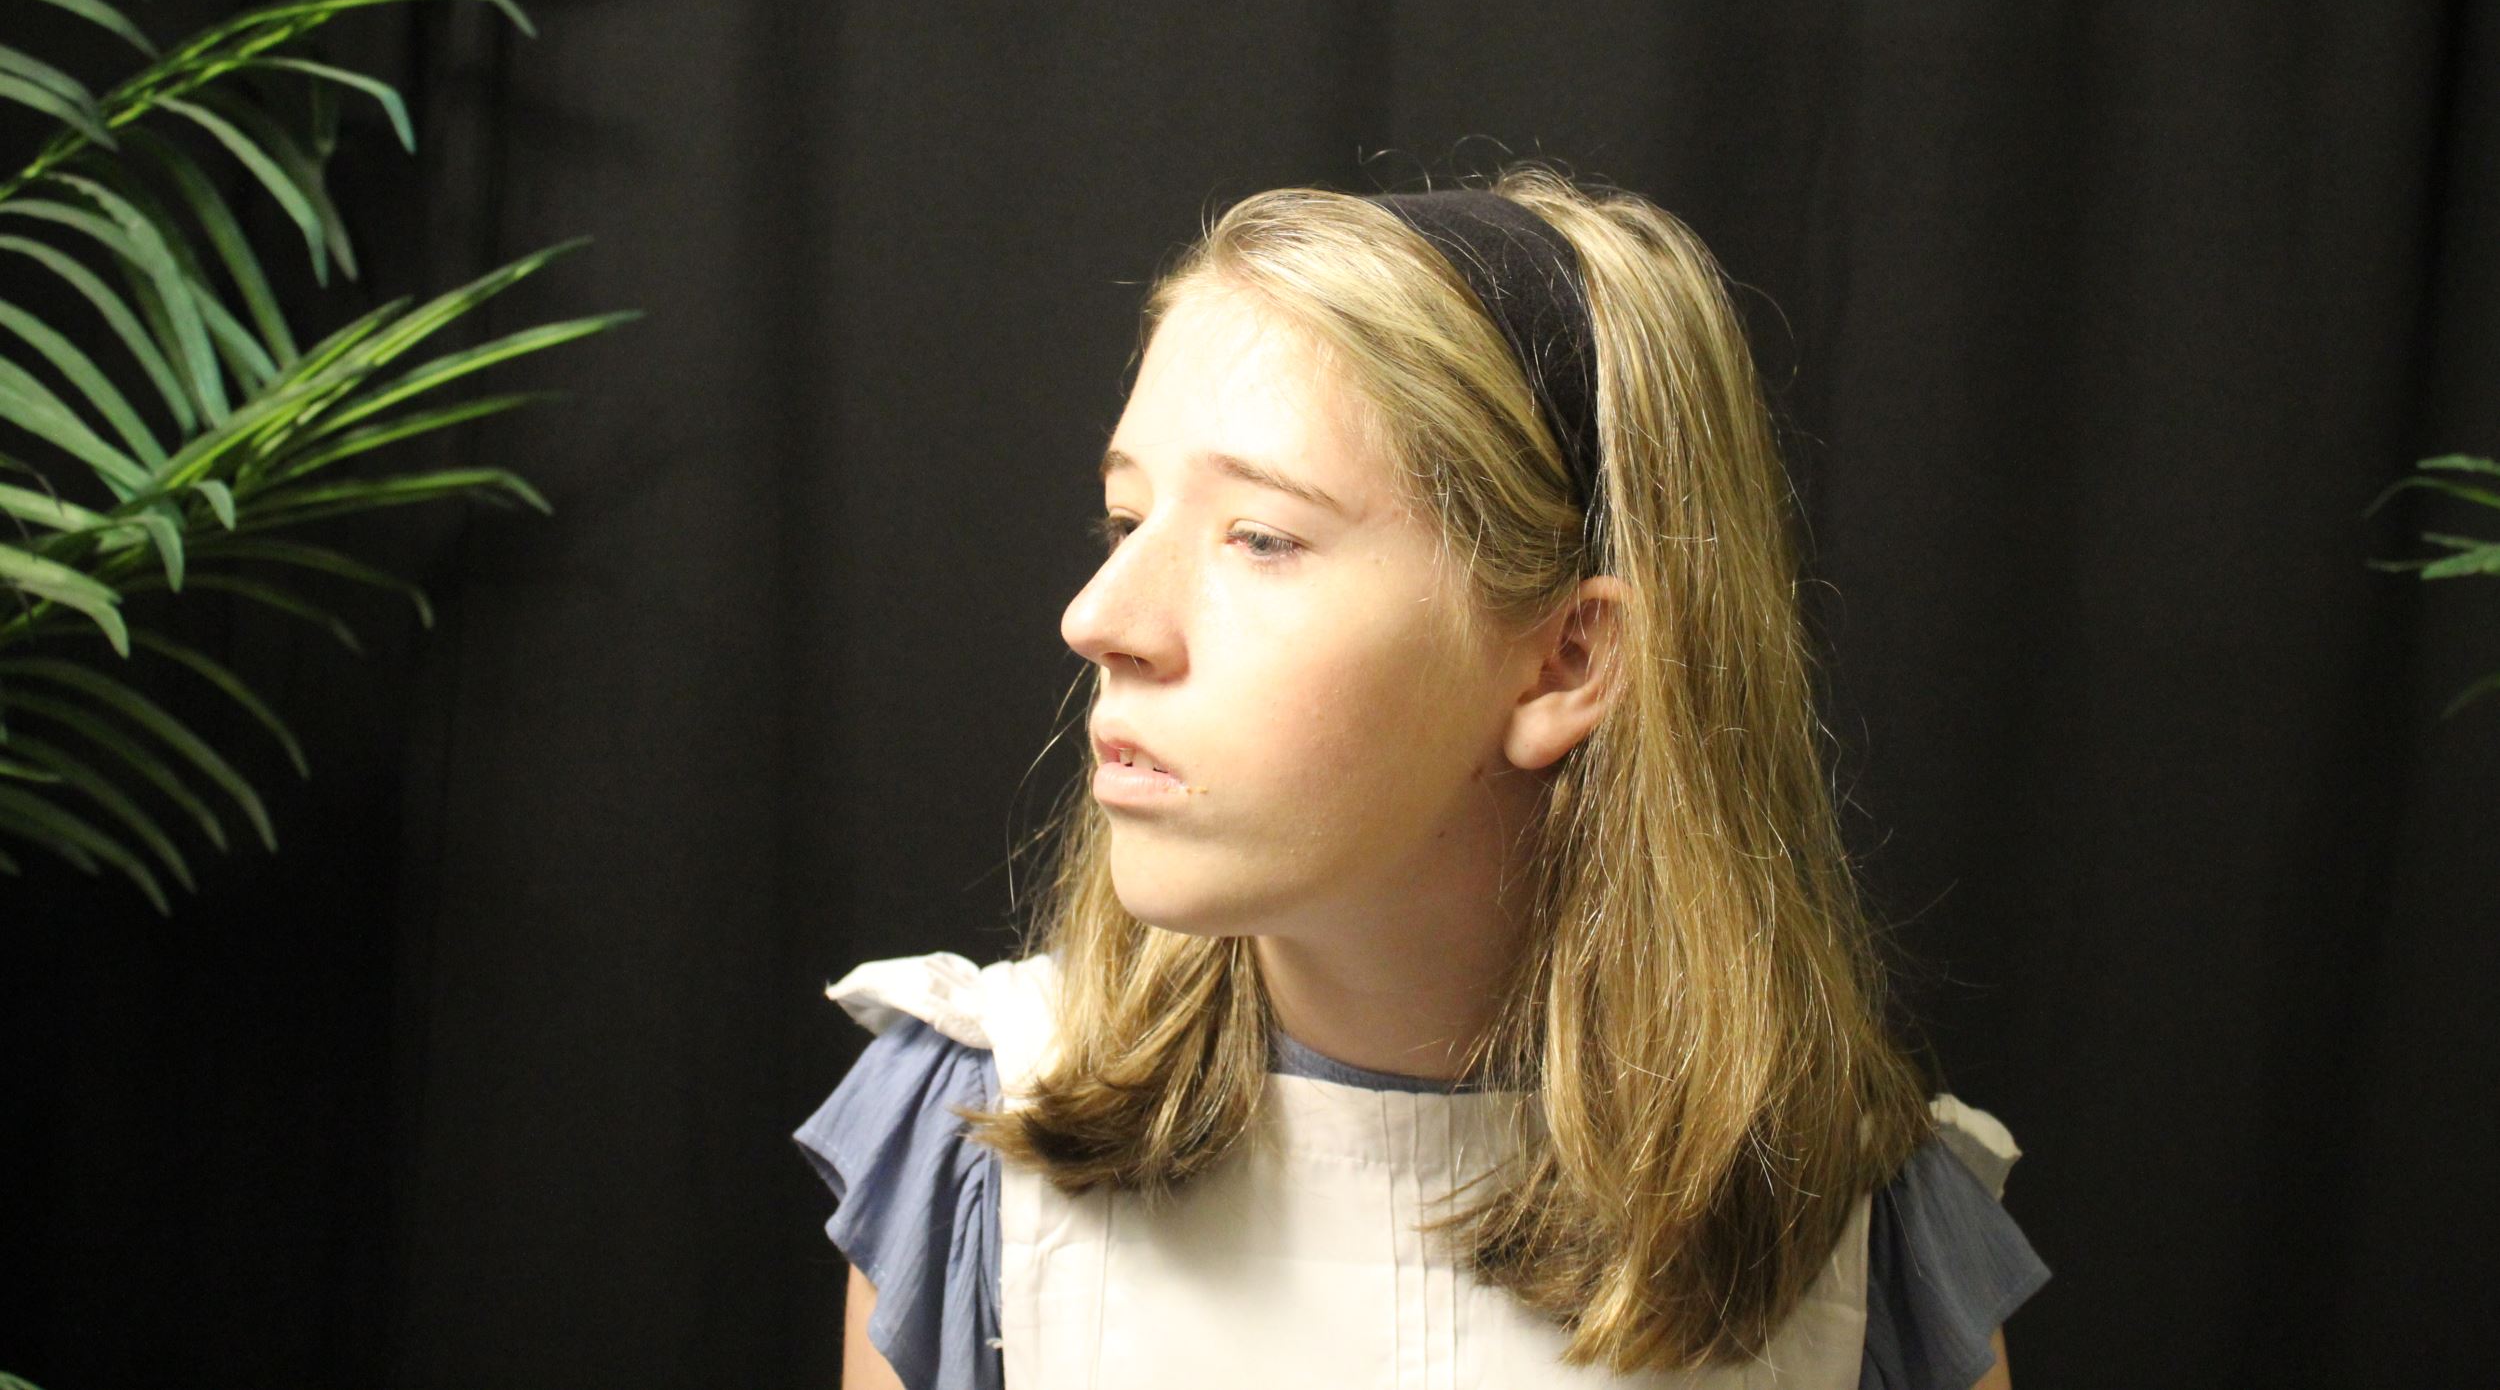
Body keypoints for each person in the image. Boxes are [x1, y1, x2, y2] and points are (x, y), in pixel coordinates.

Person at [794, 167, 2051, 1388]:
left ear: (1566, 660)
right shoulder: (975, 1146)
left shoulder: (1859, 1236)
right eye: (1127, 521)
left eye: (1261, 537)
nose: (1098, 618)